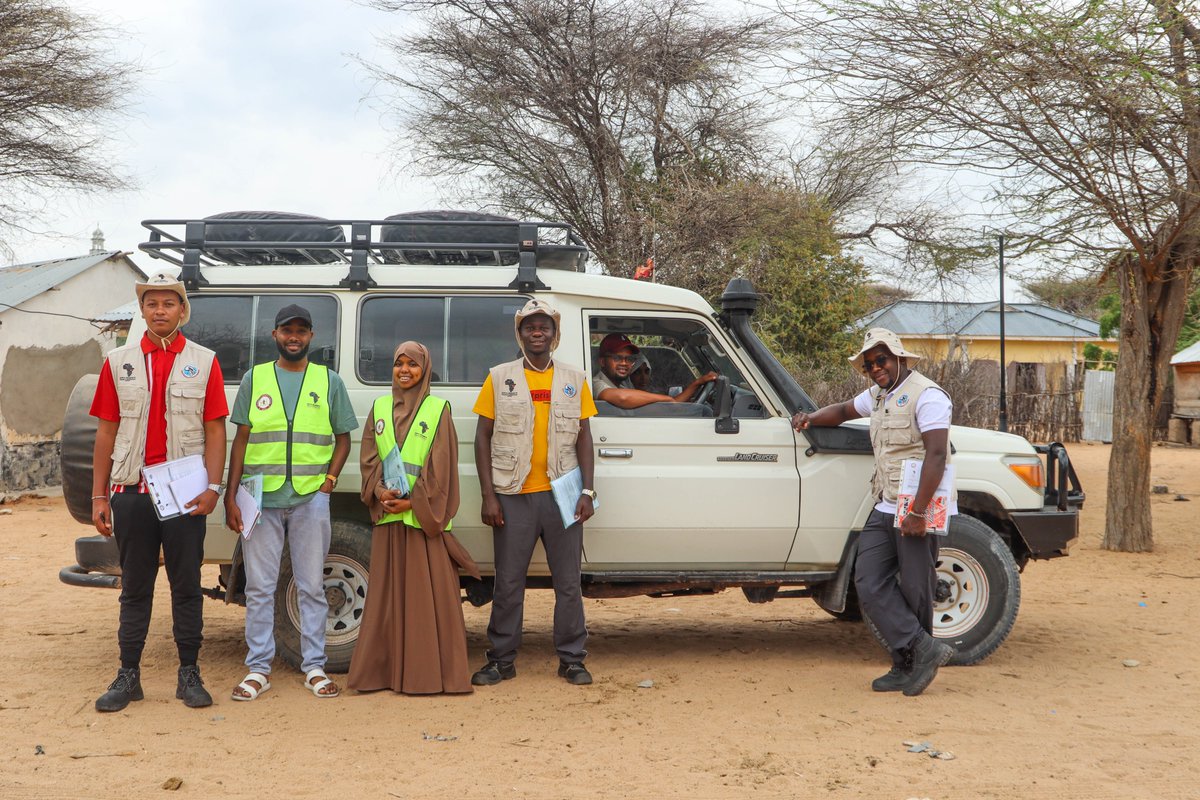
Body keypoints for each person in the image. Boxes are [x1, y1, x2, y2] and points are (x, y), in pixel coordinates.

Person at [89, 270, 228, 712]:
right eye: (152, 303)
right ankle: (128, 675)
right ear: (142, 310)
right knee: (134, 587)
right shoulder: (119, 362)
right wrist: (99, 496)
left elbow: (215, 430)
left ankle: (190, 674)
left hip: (185, 497)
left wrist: (213, 487)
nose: (160, 310)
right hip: (132, 492)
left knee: (186, 586)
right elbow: (106, 432)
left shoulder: (204, 361)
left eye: (169, 303)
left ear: (182, 310)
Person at [790, 327, 955, 697]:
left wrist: (918, 513)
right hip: (885, 502)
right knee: (868, 580)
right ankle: (919, 650)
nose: (876, 368)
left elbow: (937, 455)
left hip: (916, 508)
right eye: (869, 365)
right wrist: (810, 418)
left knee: (916, 589)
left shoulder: (927, 396)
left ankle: (908, 665)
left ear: (898, 357)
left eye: (881, 360)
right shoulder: (879, 395)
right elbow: (843, 411)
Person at [224, 304, 357, 701]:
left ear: (311, 336)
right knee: (260, 588)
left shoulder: (328, 380)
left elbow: (344, 438)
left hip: (310, 497)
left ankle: (314, 667)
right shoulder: (255, 378)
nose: (294, 336)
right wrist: (231, 495)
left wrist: (329, 483)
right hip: (260, 498)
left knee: (311, 585)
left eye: (301, 330)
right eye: (287, 330)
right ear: (275, 335)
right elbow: (241, 440)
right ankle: (258, 669)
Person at [471, 299, 598, 686]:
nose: (537, 332)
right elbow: (482, 436)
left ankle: (572, 660)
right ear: (520, 334)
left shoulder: (574, 378)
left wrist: (587, 491)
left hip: (563, 496)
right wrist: (489, 495)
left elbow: (584, 437)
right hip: (513, 496)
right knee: (508, 583)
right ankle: (501, 660)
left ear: (555, 334)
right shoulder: (499, 377)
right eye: (530, 327)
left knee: (568, 584)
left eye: (544, 326)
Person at [348, 341, 481, 695]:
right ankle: (384, 675)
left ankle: (428, 678)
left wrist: (412, 504)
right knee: (386, 604)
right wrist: (379, 492)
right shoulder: (379, 407)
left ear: (425, 370)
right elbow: (369, 460)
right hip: (389, 522)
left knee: (425, 604)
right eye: (399, 364)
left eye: (412, 364)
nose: (404, 370)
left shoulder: (437, 410)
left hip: (422, 524)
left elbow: (442, 469)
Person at [592, 332, 717, 409]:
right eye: (617, 358)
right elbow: (623, 398)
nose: (624, 363)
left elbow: (671, 405)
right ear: (602, 362)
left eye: (629, 359)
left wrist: (698, 383)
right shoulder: (596, 383)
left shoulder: (622, 385)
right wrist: (667, 399)